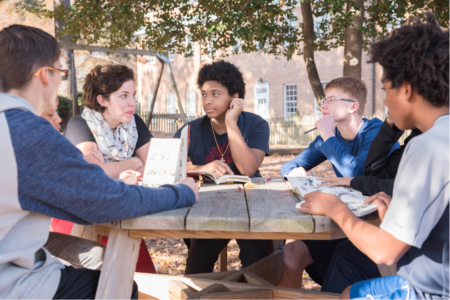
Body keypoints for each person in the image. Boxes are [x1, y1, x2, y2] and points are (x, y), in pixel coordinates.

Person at [0, 24, 198, 299]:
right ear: (46, 75)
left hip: (23, 252)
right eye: (61, 71)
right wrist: (182, 192)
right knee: (120, 285)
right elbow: (107, 201)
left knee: (101, 260)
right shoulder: (27, 132)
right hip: (11, 284)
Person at [301, 12, 448, 300]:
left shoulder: (428, 146)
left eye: (385, 89)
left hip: (431, 291)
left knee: (349, 293)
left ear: (406, 89)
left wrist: (335, 209)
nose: (383, 100)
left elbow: (385, 250)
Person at [278, 77, 400, 289]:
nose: (323, 105)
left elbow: (357, 173)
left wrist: (326, 135)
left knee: (343, 256)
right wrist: (294, 171)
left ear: (353, 106)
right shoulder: (331, 136)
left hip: (374, 224)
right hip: (340, 220)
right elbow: (288, 166)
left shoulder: (374, 131)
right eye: (324, 100)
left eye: (331, 100)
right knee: (292, 250)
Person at [52, 64, 156, 273]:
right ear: (102, 99)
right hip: (80, 219)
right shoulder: (80, 124)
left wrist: (111, 167)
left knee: (141, 276)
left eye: (133, 95)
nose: (132, 102)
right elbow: (92, 175)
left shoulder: (134, 124)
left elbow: (155, 166)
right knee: (110, 276)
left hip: (121, 210)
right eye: (124, 95)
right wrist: (134, 163)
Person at [173, 60, 271, 274]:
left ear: (235, 98)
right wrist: (201, 168)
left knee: (256, 258)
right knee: (198, 259)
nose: (207, 101)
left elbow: (247, 169)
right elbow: (166, 167)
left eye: (215, 94)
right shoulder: (191, 130)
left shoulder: (256, 125)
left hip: (250, 206)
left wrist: (231, 122)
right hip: (210, 207)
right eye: (204, 94)